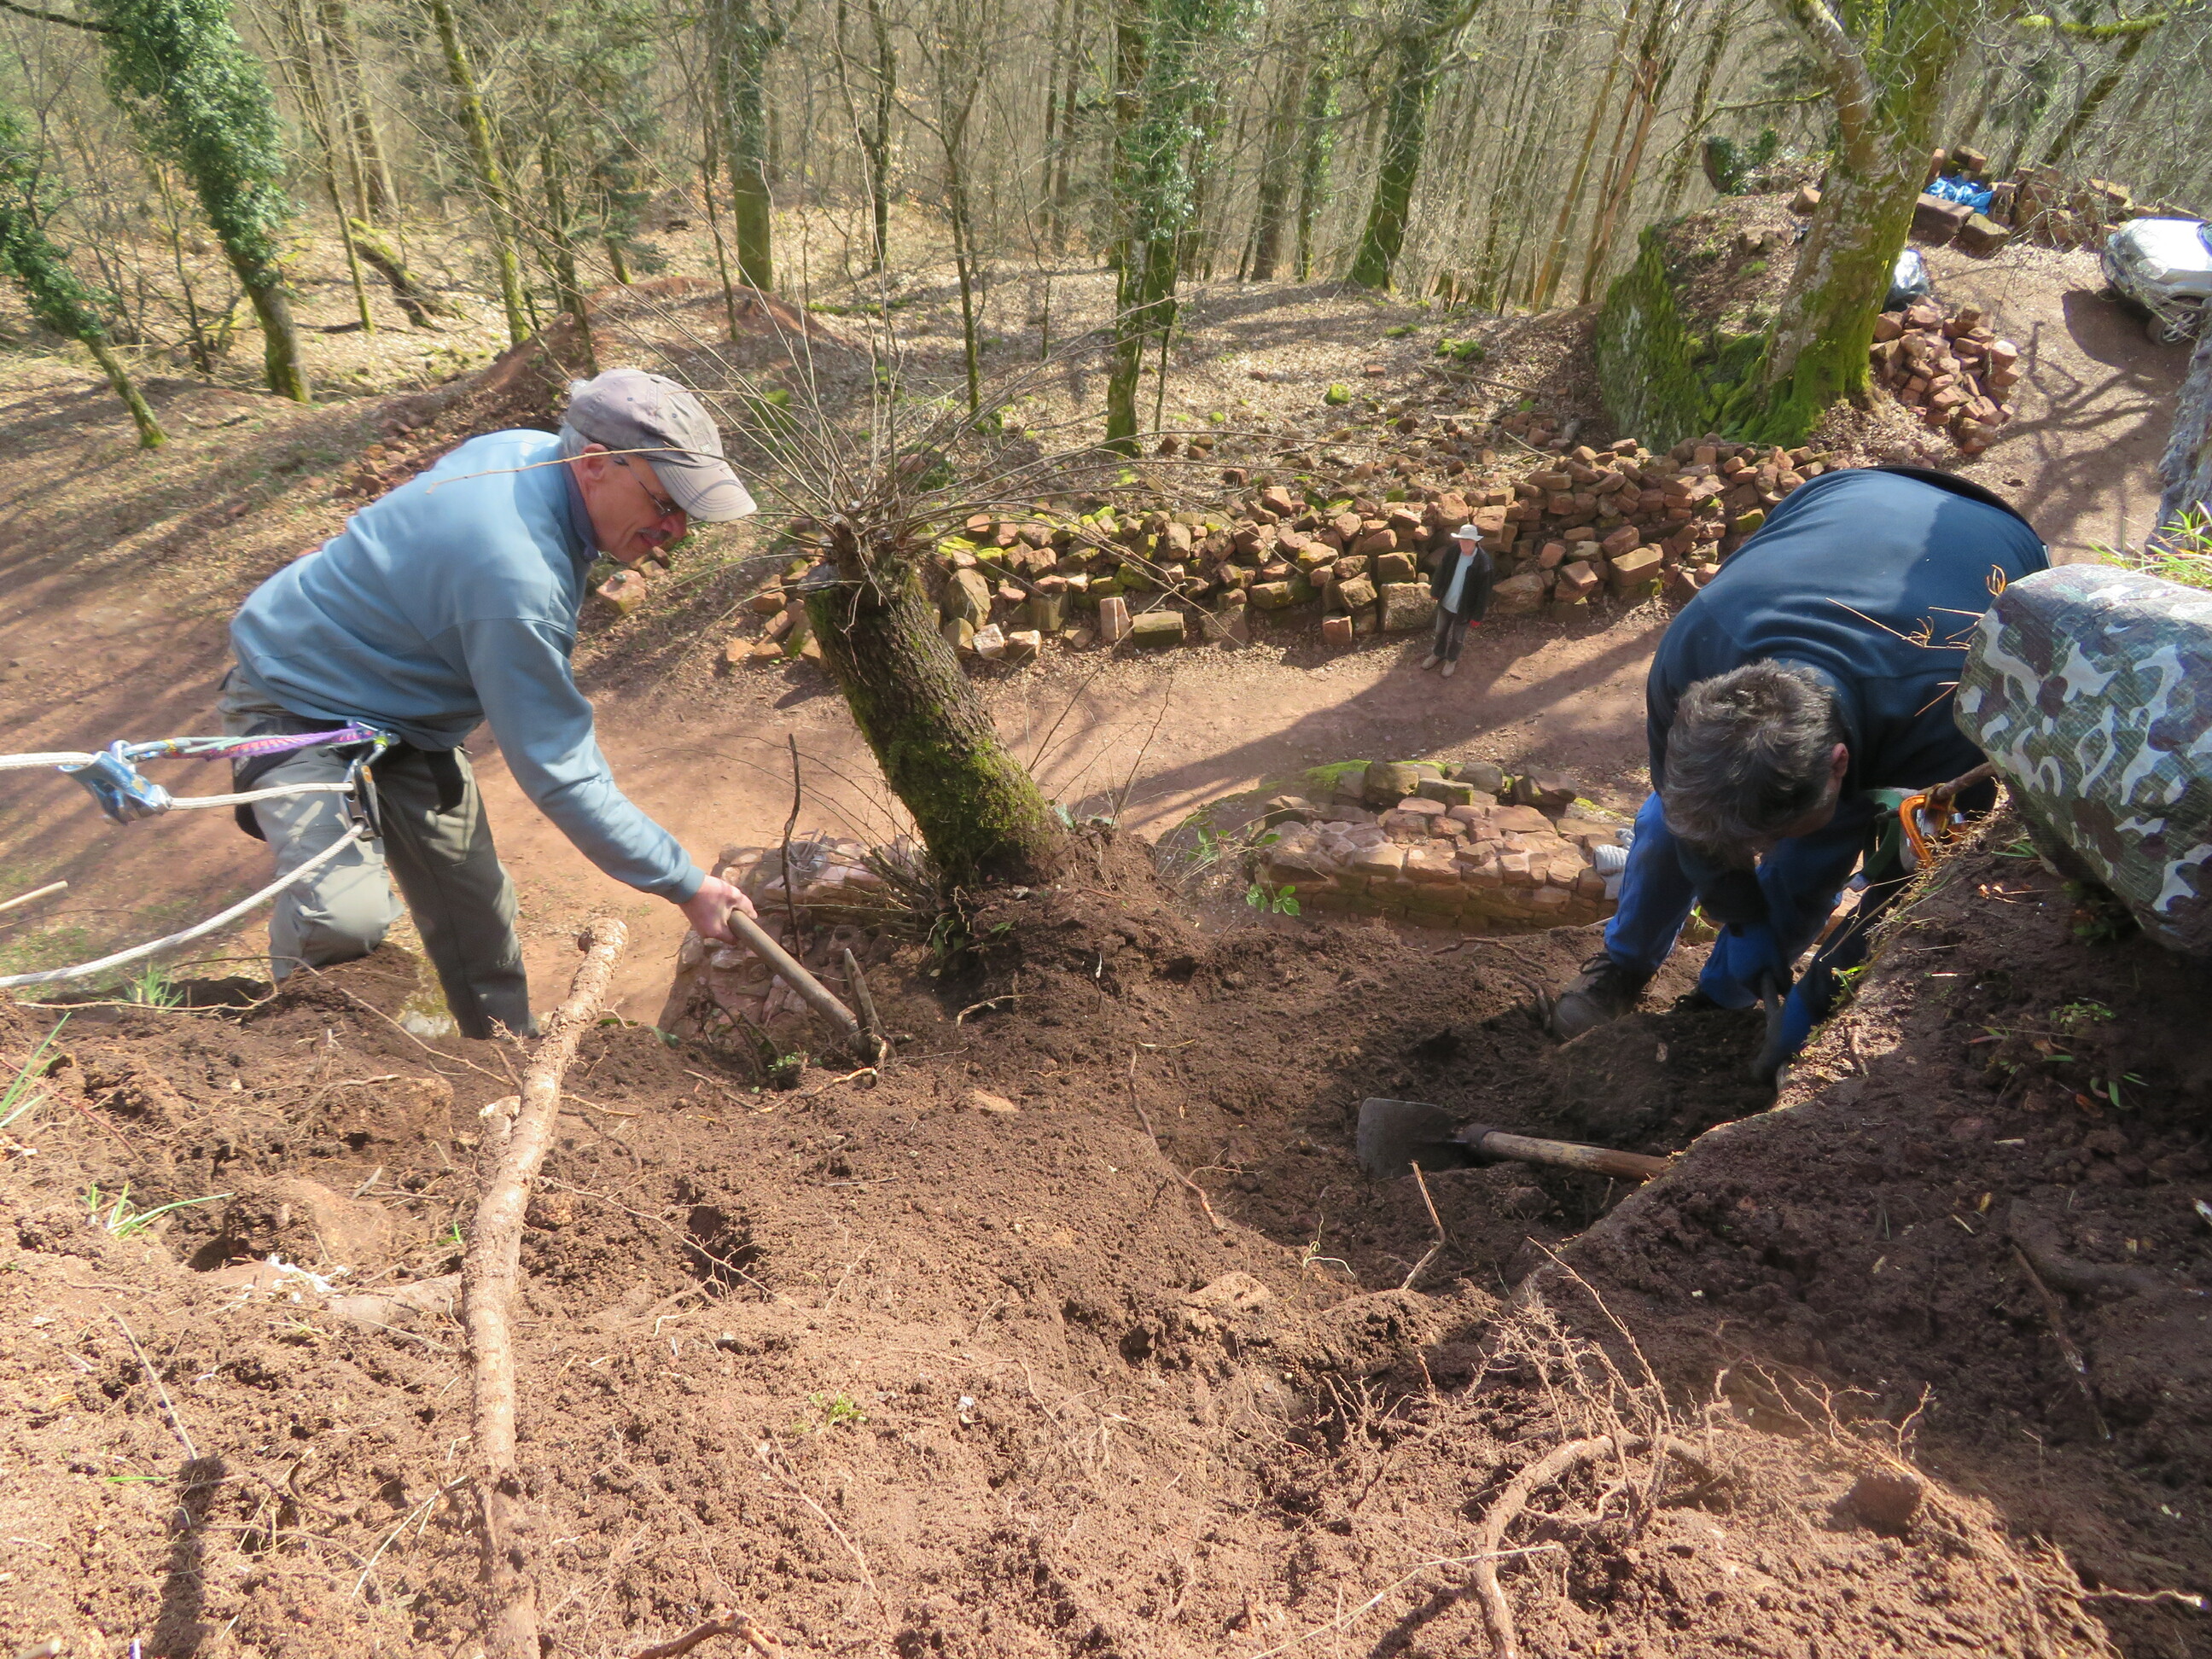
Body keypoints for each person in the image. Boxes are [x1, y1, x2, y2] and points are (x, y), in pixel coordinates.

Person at [220, 368, 761, 1038]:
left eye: (686, 511)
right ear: (595, 463)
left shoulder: (528, 451)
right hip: (295, 699)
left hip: (409, 721)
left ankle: (503, 1059)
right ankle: (303, 1051)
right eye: (664, 502)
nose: (675, 528)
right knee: (341, 917)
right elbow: (559, 769)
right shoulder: (515, 576)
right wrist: (685, 883)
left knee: (476, 911)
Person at [1547, 466, 2048, 1062]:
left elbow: (1910, 890)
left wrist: (1821, 992)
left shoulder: (1956, 715)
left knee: (1814, 861)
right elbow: (1690, 816)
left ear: (1840, 763)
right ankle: (1625, 965)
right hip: (1846, 499)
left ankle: (1715, 1010)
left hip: (1992, 545)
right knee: (1667, 824)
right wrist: (1740, 914)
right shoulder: (1696, 648)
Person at [1419, 522, 1494, 678]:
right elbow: (1441, 572)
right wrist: (1435, 591)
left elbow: (1484, 593)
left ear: (1475, 541)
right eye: (1462, 539)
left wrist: (1477, 616)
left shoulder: (1484, 563)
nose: (1464, 543)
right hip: (1446, 602)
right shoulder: (1452, 552)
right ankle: (1438, 653)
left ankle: (1451, 660)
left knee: (1457, 638)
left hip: (1465, 608)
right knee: (1440, 631)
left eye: (1468, 540)